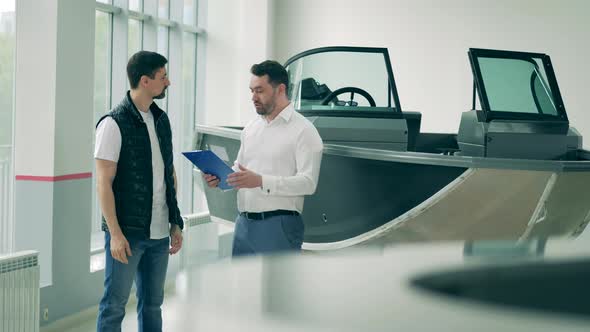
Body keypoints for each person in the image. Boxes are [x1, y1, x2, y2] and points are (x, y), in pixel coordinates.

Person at [95, 50, 184, 332]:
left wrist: (175, 221)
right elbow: (103, 184)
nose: (167, 82)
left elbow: (169, 174)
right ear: (145, 81)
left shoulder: (161, 119)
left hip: (159, 233)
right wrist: (116, 234)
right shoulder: (113, 123)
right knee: (114, 306)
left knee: (153, 304)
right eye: (163, 77)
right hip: (128, 234)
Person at [204, 60, 323, 256]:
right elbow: (240, 169)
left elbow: (308, 183)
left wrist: (260, 181)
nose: (253, 97)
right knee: (242, 287)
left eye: (259, 90)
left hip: (279, 226)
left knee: (277, 288)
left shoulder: (304, 131)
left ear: (280, 89)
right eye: (251, 91)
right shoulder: (251, 128)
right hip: (243, 225)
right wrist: (221, 178)